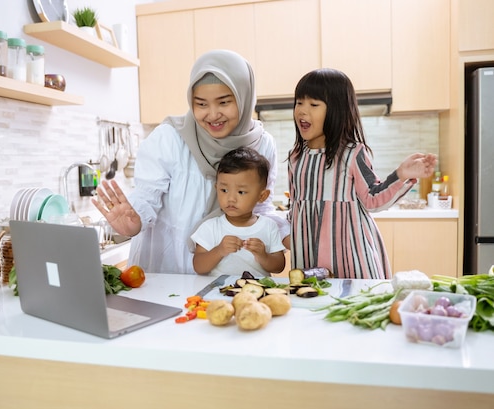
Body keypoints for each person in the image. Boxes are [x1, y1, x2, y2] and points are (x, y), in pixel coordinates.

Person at [92, 49, 289, 274]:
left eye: (223, 102)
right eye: (201, 104)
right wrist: (133, 222)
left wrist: (288, 235)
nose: (213, 115)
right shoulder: (169, 137)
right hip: (167, 269)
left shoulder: (262, 144)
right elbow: (146, 196)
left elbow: (261, 205)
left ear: (244, 96)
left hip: (227, 277)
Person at [285, 68, 437, 279]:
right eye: (299, 102)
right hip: (309, 259)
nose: (302, 110)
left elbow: (373, 199)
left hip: (352, 258)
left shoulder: (352, 153)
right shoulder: (295, 158)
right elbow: (295, 206)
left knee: (354, 307)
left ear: (336, 110)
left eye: (313, 104)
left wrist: (401, 174)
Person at [191, 147, 286, 277]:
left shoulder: (269, 226)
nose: (231, 199)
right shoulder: (210, 227)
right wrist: (219, 251)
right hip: (218, 293)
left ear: (262, 196)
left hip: (256, 293)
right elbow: (198, 267)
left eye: (241, 192)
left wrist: (263, 256)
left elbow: (279, 267)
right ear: (216, 188)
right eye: (224, 190)